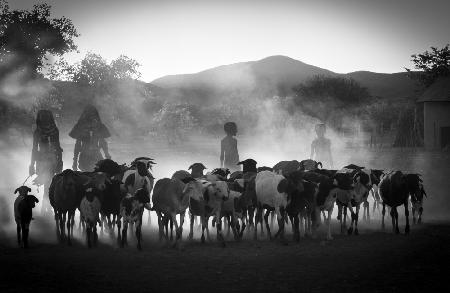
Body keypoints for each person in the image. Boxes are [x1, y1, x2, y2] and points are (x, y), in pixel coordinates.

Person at [29, 110, 63, 213]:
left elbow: (35, 149)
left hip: (46, 160)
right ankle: (47, 205)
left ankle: (46, 205)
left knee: (48, 182)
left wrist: (32, 164)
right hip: (47, 160)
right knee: (48, 182)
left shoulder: (38, 131)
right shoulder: (52, 130)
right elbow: (57, 147)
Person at [69, 105, 111, 172]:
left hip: (95, 156)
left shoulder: (98, 127)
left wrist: (107, 156)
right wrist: (75, 162)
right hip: (85, 156)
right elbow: (77, 145)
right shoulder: (82, 127)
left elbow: (103, 142)